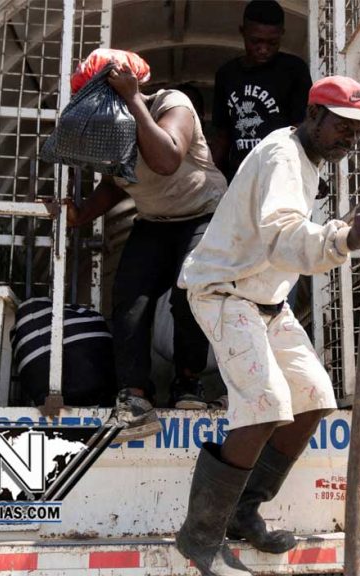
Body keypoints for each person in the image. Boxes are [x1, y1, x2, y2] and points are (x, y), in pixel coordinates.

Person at [175, 76, 360, 576]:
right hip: (226, 292)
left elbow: (288, 238)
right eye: (342, 126)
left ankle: (242, 511)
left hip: (267, 299)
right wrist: (345, 237)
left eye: (358, 131)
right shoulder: (281, 156)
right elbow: (282, 235)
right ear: (314, 113)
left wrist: (346, 231)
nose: (350, 138)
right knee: (266, 404)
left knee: (314, 396)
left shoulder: (306, 159)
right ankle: (200, 537)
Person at [68, 54, 228, 441]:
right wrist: (80, 214)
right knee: (129, 298)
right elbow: (113, 184)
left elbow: (167, 159)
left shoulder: (172, 104)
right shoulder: (110, 127)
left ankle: (188, 382)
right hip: (154, 220)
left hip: (204, 214)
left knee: (189, 292)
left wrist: (132, 100)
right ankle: (135, 398)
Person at [211, 0, 312, 181]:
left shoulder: (293, 70)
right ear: (242, 32)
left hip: (281, 173)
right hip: (240, 176)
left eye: (272, 42)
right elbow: (222, 136)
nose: (263, 49)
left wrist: (309, 172)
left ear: (281, 34)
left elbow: (302, 129)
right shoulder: (227, 74)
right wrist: (212, 178)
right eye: (255, 41)